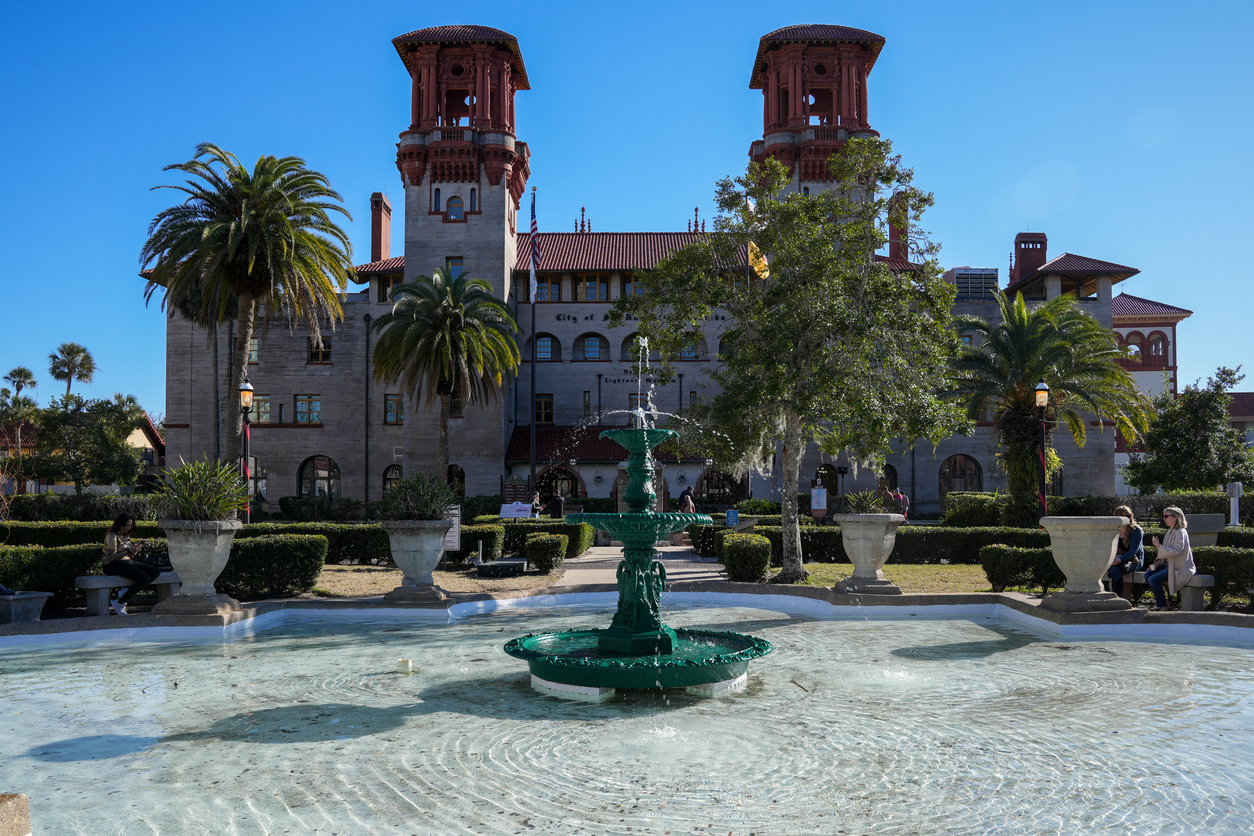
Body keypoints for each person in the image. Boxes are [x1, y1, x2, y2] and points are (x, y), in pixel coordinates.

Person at [102, 514, 163, 616]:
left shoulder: (126, 535)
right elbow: (111, 557)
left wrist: (134, 550)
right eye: (126, 525)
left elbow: (129, 555)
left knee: (155, 571)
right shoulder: (112, 535)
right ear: (119, 524)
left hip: (126, 562)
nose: (128, 528)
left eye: (130, 525)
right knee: (144, 578)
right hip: (111, 565)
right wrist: (128, 550)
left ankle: (125, 592)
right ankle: (120, 602)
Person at [1146, 506, 1195, 612]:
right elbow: (1165, 551)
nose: (1164, 518)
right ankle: (1166, 602)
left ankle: (1163, 605)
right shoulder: (1169, 531)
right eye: (1164, 516)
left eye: (1166, 516)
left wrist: (1158, 546)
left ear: (1175, 517)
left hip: (1178, 567)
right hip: (1167, 565)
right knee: (1147, 575)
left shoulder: (1180, 532)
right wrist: (1158, 562)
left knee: (1152, 579)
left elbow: (1176, 551)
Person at [1106, 504, 1144, 597]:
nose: (1126, 519)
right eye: (1123, 517)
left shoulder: (1136, 531)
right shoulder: (1113, 530)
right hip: (1116, 560)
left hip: (1133, 561)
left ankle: (1116, 596)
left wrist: (1120, 559)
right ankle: (1114, 596)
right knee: (1112, 569)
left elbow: (1133, 551)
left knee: (1114, 569)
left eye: (1128, 516)